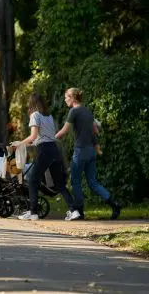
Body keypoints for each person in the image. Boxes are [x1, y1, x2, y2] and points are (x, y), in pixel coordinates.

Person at [55, 87, 121, 220]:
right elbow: (95, 131)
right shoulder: (87, 111)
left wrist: (51, 138)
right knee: (93, 182)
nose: (65, 100)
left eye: (67, 97)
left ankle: (79, 211)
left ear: (73, 98)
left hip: (80, 151)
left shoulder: (74, 111)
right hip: (91, 151)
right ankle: (114, 204)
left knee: (75, 181)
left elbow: (65, 130)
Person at [16, 93, 79, 221]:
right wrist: (26, 145)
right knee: (59, 184)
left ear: (31, 104)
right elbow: (43, 138)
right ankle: (74, 210)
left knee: (33, 180)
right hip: (54, 150)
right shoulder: (49, 116)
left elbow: (34, 136)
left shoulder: (35, 115)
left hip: (44, 151)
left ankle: (33, 212)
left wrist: (19, 144)